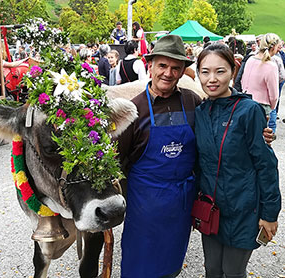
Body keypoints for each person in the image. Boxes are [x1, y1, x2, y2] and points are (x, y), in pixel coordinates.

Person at [116, 35, 200, 278]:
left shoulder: (192, 101)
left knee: (171, 263)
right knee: (139, 264)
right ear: (150, 65)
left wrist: (258, 132)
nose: (168, 73)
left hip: (180, 204)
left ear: (183, 71)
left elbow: (216, 134)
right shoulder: (133, 109)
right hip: (144, 205)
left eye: (176, 68)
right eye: (162, 65)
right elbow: (118, 162)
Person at [195, 43, 281, 278]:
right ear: (197, 73)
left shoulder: (249, 111)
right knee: (212, 270)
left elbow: (266, 164)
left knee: (233, 272)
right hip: (212, 209)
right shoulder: (200, 112)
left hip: (244, 210)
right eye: (205, 71)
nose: (212, 79)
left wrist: (270, 213)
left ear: (233, 71)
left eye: (220, 71)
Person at [241, 33, 280, 133]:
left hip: (245, 102)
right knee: (260, 139)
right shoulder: (271, 65)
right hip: (261, 106)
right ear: (274, 47)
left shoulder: (250, 59)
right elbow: (274, 95)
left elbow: (242, 81)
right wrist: (271, 108)